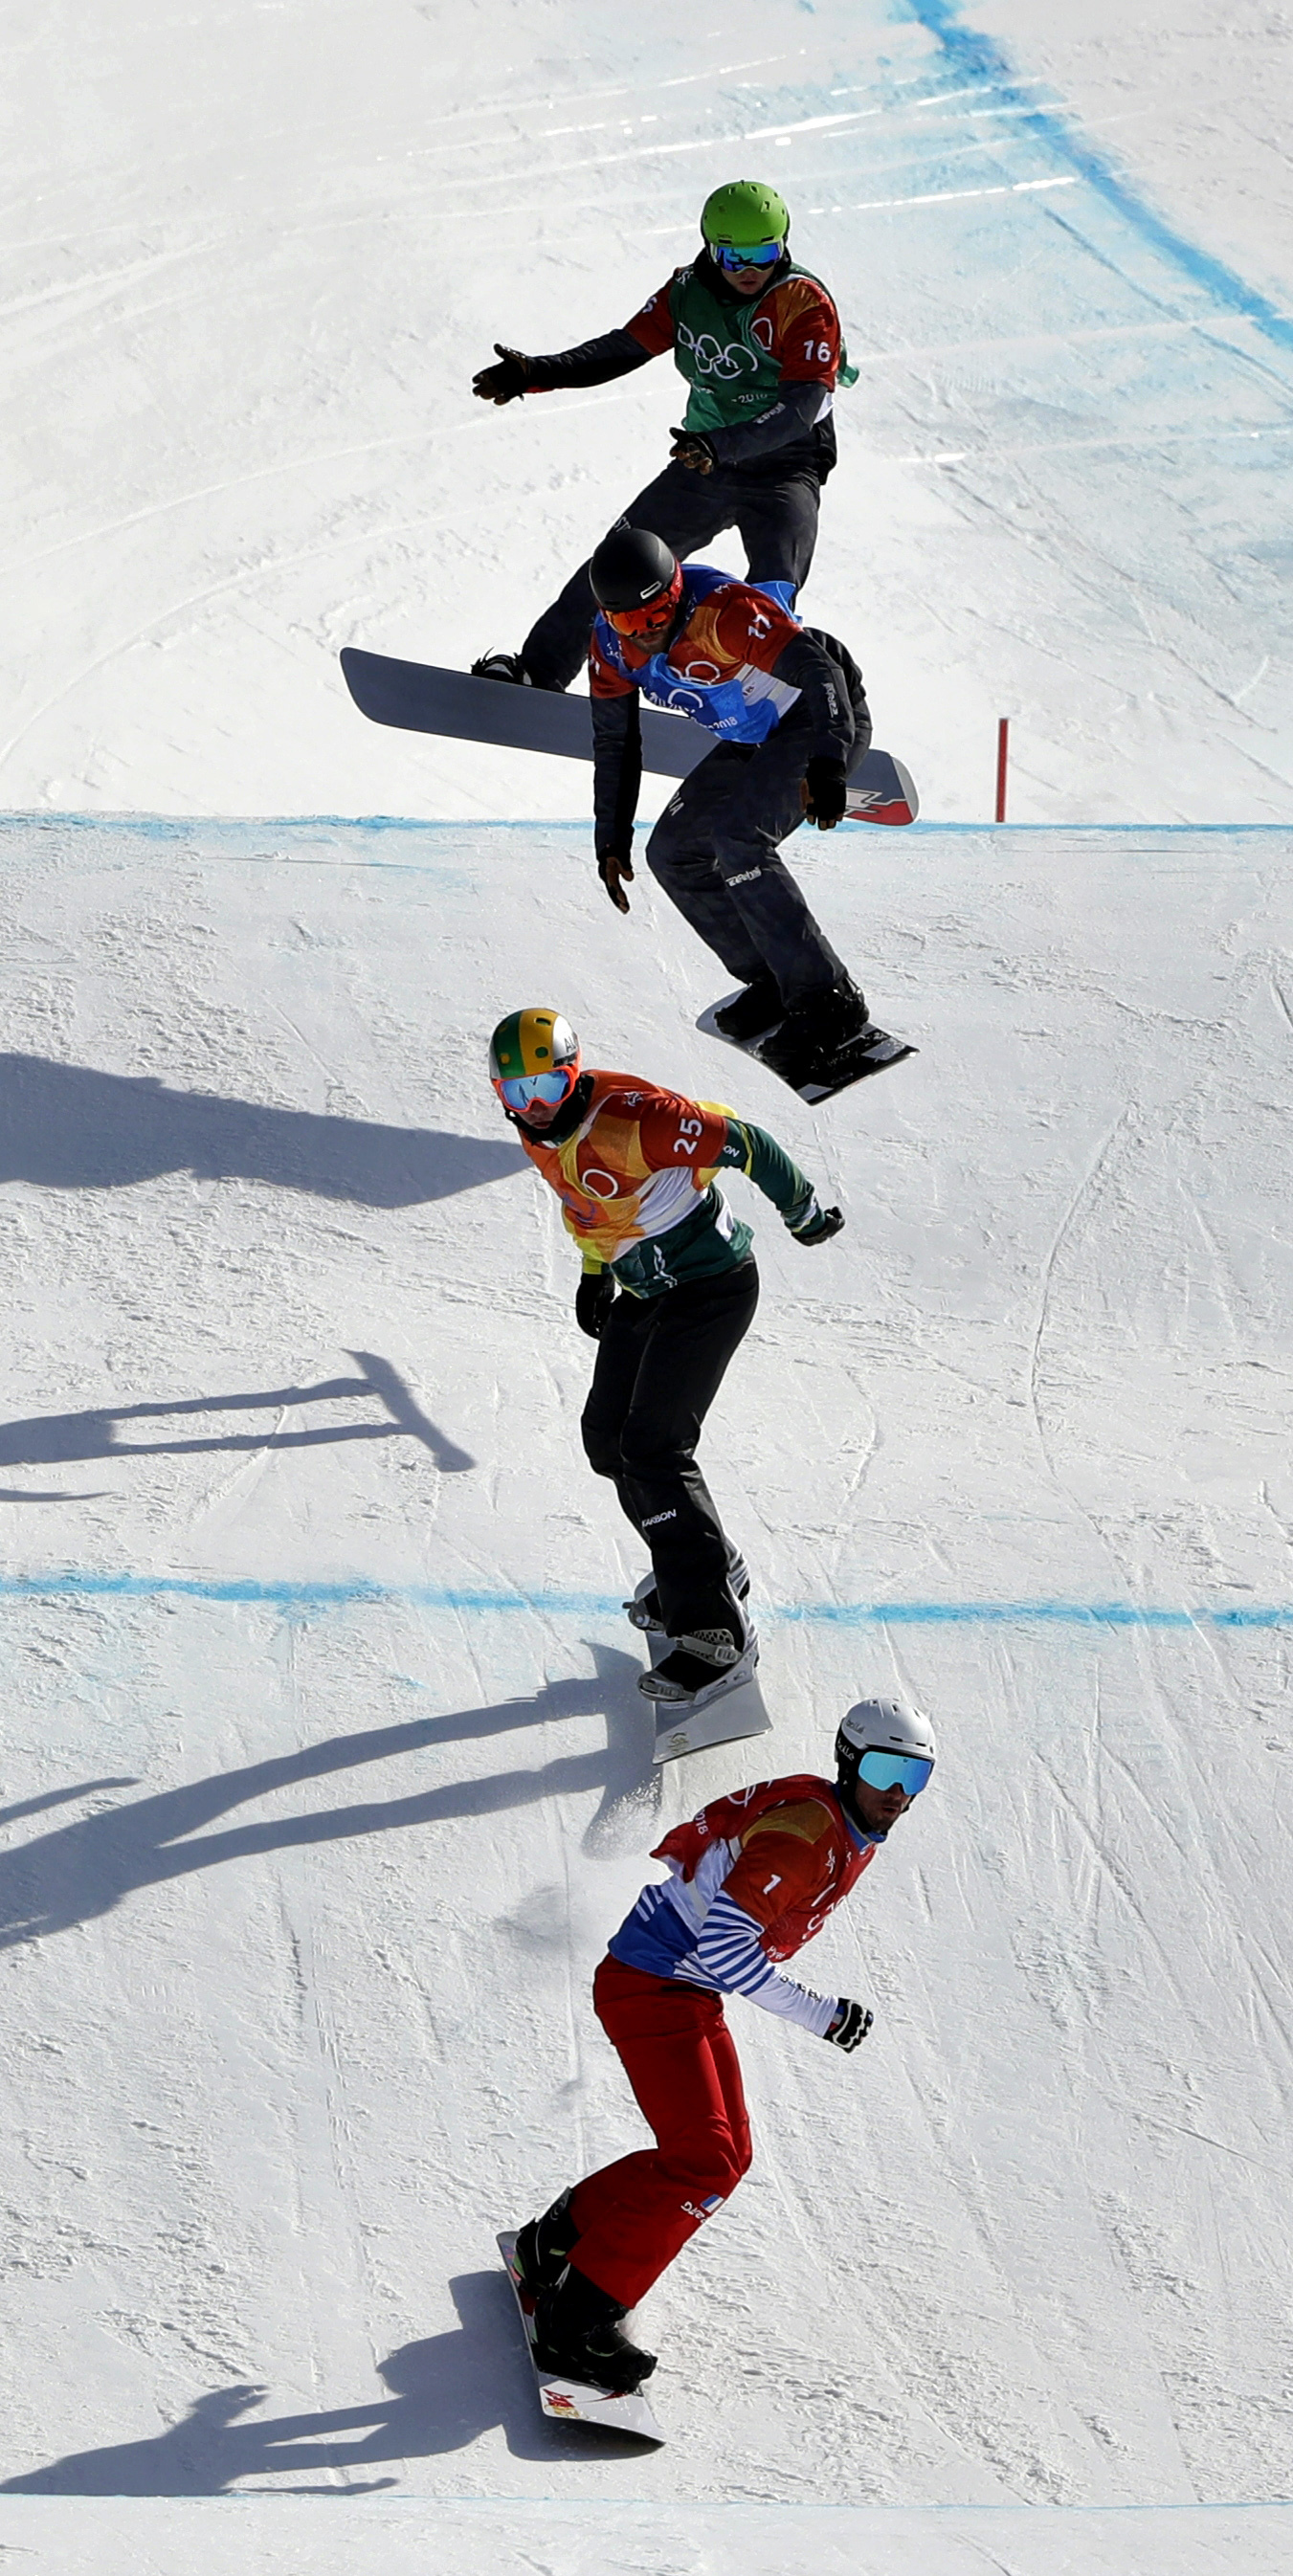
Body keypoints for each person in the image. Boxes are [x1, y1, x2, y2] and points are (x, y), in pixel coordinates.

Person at [508, 1699, 937, 2397]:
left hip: (679, 1989)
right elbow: (724, 1948)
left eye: (913, 1778)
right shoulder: (806, 1838)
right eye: (885, 1770)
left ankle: (550, 2245)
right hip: (654, 1984)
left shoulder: (840, 1823)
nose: (896, 1793)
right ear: (849, 1762)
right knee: (703, 2161)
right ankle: (574, 2324)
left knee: (723, 2155)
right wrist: (821, 2015)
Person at [487, 1006, 840, 1699]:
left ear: (573, 1074)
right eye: (516, 1093)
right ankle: (706, 1570)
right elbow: (587, 1205)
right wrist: (595, 1273)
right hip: (646, 1290)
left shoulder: (635, 1122)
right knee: (607, 1439)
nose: (534, 1107)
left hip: (710, 1287)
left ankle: (717, 1637)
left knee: (654, 1447)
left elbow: (748, 1143)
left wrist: (801, 1212)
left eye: (548, 1087)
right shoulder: (539, 1133)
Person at [470, 180, 852, 693]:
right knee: (618, 565)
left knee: (770, 595)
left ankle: (761, 701)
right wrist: (537, 373)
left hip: (786, 467)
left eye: (764, 254)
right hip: (706, 462)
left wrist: (723, 444)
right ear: (710, 248)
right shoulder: (687, 292)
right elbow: (624, 348)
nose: (750, 270)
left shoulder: (803, 303)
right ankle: (536, 671)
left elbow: (800, 408)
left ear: (783, 244)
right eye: (733, 257)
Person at [585, 522, 886, 1089]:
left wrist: (827, 761)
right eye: (629, 623)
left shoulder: (722, 613)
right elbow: (615, 741)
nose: (646, 633)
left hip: (816, 719)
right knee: (673, 852)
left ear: (676, 593)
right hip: (753, 737)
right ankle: (774, 979)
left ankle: (829, 1001)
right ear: (608, 616)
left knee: (740, 839)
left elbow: (820, 672)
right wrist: (611, 837)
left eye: (658, 615)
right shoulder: (609, 646)